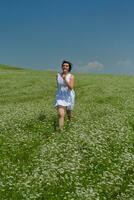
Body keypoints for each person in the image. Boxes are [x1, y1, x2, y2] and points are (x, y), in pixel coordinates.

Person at [55, 60, 75, 129]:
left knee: (69, 113)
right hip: (60, 96)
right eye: (63, 66)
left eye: (67, 66)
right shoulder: (57, 75)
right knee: (61, 114)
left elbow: (71, 87)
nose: (65, 67)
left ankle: (71, 124)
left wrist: (65, 79)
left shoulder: (71, 76)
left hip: (69, 96)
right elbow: (58, 86)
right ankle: (61, 131)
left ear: (69, 68)